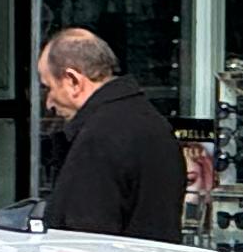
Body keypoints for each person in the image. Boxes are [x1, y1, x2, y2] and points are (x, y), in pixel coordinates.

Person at [38, 29, 185, 241]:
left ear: (73, 81)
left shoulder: (98, 137)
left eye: (48, 87)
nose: (48, 102)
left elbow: (84, 237)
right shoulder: (151, 120)